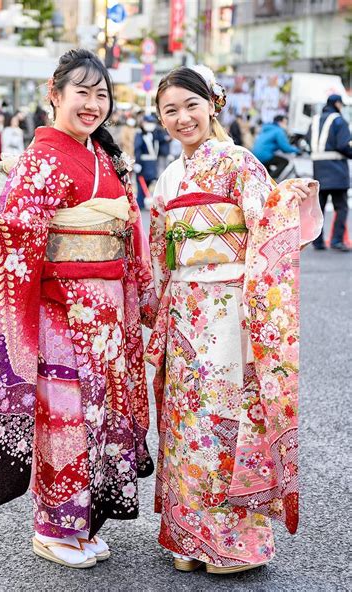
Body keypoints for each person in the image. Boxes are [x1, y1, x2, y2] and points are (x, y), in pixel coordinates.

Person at [0, 48, 154, 569]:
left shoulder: (104, 157)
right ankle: (53, 524)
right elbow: (16, 231)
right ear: (53, 95)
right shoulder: (42, 160)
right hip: (60, 310)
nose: (92, 103)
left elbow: (129, 231)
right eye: (81, 91)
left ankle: (82, 522)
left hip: (105, 313)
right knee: (64, 415)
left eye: (101, 94)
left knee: (97, 414)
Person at [144, 65, 321, 574]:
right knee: (184, 420)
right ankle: (187, 534)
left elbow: (268, 223)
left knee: (226, 417)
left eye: (190, 105)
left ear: (212, 104)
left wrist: (291, 200)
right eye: (170, 111)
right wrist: (152, 303)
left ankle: (233, 541)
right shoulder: (170, 177)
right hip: (183, 308)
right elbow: (160, 248)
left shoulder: (240, 163)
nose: (182, 118)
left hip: (230, 306)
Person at [307, 94, 352, 252]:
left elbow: (307, 142)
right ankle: (336, 240)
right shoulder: (339, 121)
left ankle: (317, 242)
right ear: (337, 104)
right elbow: (343, 145)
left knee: (319, 208)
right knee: (341, 207)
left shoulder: (314, 120)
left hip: (318, 170)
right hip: (337, 171)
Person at [252, 114, 300, 179]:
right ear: (280, 122)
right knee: (284, 162)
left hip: (255, 153)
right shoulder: (278, 131)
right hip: (264, 155)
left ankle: (267, 179)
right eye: (285, 123)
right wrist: (297, 150)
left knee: (268, 168)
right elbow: (285, 148)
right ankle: (271, 180)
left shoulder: (267, 128)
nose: (286, 125)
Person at [134, 114, 160, 209]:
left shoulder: (154, 133)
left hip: (152, 164)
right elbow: (138, 149)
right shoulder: (139, 134)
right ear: (144, 123)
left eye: (152, 123)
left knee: (148, 183)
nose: (151, 124)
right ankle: (139, 205)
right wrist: (137, 163)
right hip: (143, 163)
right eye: (149, 122)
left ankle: (143, 202)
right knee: (141, 185)